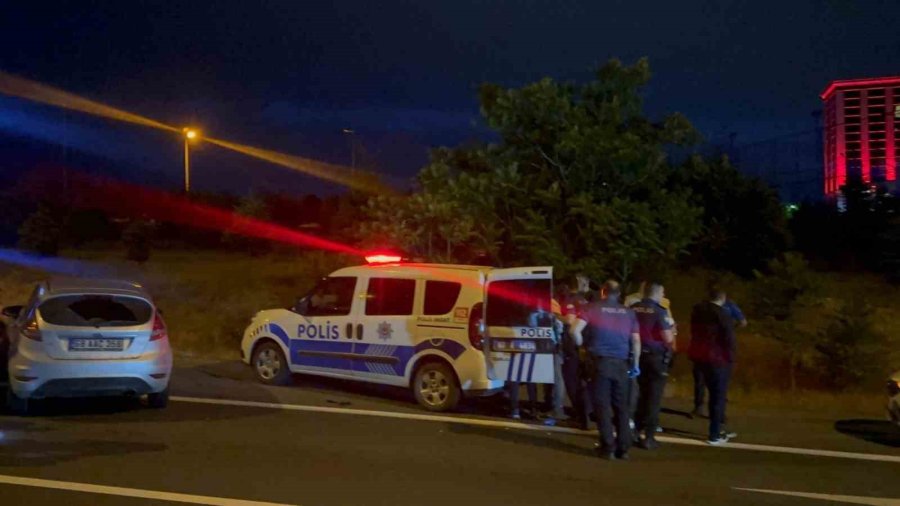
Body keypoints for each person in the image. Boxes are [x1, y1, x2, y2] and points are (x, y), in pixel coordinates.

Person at [584, 280, 641, 460]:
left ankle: (607, 446)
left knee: (602, 405)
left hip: (600, 362)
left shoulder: (593, 308)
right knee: (621, 406)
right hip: (621, 363)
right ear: (619, 294)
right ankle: (623, 448)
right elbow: (636, 341)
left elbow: (575, 329)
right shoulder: (629, 312)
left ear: (603, 291)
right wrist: (636, 364)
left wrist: (580, 344)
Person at [689, 287, 737, 445]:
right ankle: (715, 434)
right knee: (718, 396)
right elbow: (729, 338)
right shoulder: (723, 314)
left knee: (707, 389)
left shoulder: (698, 311)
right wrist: (730, 358)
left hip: (699, 356)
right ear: (723, 298)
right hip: (718, 360)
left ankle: (716, 429)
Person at [630, 282, 675, 450]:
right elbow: (668, 338)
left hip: (636, 355)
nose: (663, 295)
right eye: (662, 292)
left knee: (638, 395)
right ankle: (648, 437)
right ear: (657, 293)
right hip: (655, 358)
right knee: (653, 397)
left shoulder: (633, 308)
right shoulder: (659, 311)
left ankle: (634, 430)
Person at [691, 295, 745, 418]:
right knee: (715, 382)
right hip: (715, 351)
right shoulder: (726, 307)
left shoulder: (702, 307)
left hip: (704, 349)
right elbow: (742, 323)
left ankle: (705, 409)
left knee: (703, 379)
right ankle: (716, 414)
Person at [561, 298, 589, 428]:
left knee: (572, 384)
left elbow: (570, 322)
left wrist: (555, 315)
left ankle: (580, 416)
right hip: (585, 350)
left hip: (573, 350)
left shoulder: (572, 301)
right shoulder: (588, 304)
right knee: (582, 385)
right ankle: (584, 413)